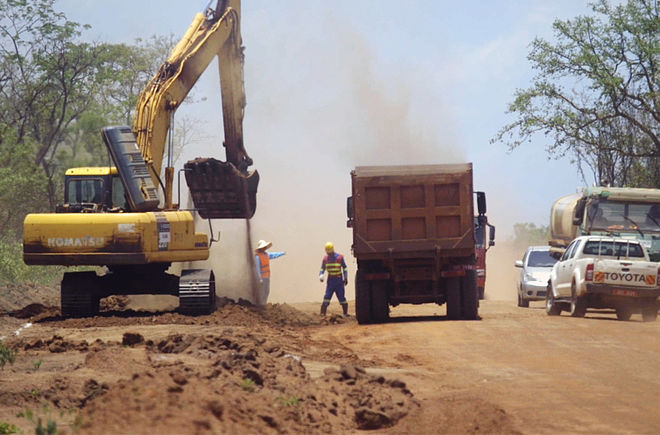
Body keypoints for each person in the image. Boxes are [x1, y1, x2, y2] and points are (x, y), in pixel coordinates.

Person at [319, 241, 349, 317]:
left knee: (342, 298)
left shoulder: (339, 257)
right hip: (331, 281)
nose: (329, 254)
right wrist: (321, 275)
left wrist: (345, 277)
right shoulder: (325, 259)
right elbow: (322, 268)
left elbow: (344, 267)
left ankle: (345, 313)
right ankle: (322, 314)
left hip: (338, 280)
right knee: (327, 297)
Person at [254, 239, 285, 306]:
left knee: (267, 291)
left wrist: (282, 253)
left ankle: (263, 304)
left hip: (267, 276)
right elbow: (258, 268)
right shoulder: (257, 257)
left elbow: (274, 255)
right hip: (262, 278)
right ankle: (260, 305)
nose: (265, 248)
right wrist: (260, 279)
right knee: (262, 292)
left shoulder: (266, 254)